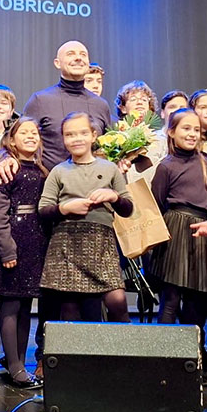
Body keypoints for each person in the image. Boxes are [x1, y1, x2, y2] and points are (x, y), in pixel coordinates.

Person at [148, 108, 207, 382]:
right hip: (175, 232)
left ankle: (192, 360)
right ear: (171, 131)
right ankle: (164, 359)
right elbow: (157, 205)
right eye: (185, 128)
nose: (192, 134)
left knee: (198, 303)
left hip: (202, 234)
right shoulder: (167, 166)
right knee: (170, 299)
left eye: (196, 129)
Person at [38, 112, 134, 322]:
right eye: (70, 134)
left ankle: (124, 352)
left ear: (93, 135)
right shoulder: (59, 171)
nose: (76, 139)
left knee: (117, 300)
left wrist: (114, 196)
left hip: (101, 242)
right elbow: (44, 209)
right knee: (71, 308)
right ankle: (76, 355)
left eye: (82, 133)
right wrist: (65, 208)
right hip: (67, 242)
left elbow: (128, 208)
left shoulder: (109, 169)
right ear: (63, 139)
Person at [0, 118, 47, 388]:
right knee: (10, 306)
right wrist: (7, 248)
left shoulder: (41, 170)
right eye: (24, 132)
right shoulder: (7, 169)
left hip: (35, 243)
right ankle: (13, 366)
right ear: (11, 140)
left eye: (34, 133)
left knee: (26, 307)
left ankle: (21, 363)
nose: (31, 136)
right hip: (15, 241)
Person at [18, 41, 111, 172]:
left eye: (83, 54)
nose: (78, 58)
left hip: (94, 187)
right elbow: (19, 141)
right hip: (49, 186)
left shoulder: (100, 105)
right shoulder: (40, 101)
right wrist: (5, 158)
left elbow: (111, 150)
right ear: (57, 63)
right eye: (70, 54)